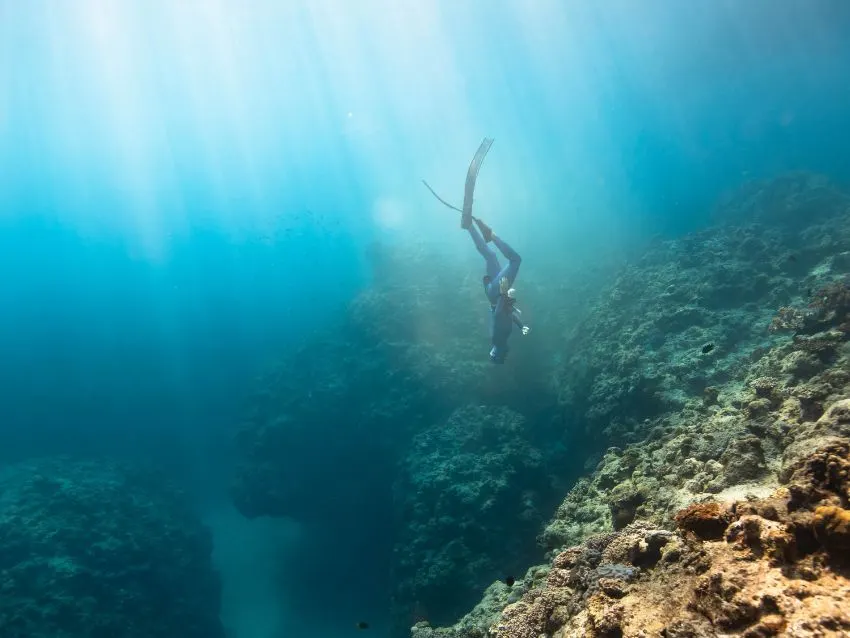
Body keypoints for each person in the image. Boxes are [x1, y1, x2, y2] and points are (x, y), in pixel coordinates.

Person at [466, 215, 530, 364]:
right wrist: (521, 326)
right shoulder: (501, 339)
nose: (506, 355)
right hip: (495, 295)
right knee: (491, 256)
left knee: (515, 260)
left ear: (496, 354)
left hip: (497, 294)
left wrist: (503, 295)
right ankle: (469, 226)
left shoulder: (497, 339)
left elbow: (498, 315)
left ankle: (491, 236)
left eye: (502, 357)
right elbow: (507, 316)